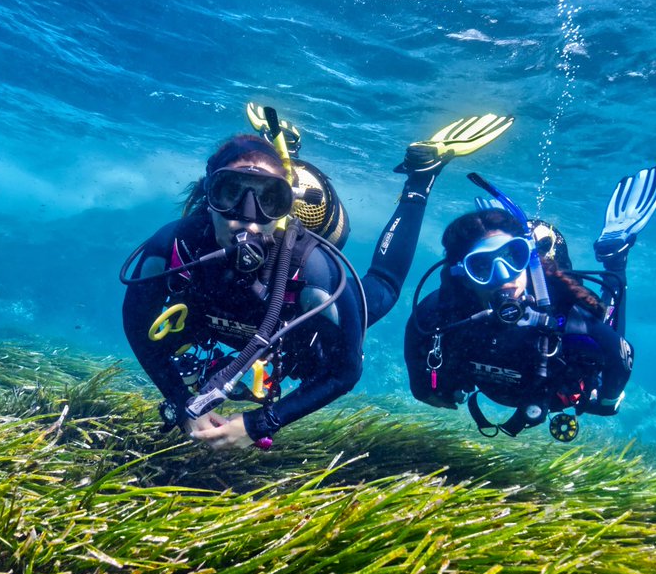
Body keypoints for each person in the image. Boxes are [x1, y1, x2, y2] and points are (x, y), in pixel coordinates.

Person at [120, 107, 512, 450]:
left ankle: (419, 181)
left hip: (297, 329)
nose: (248, 217)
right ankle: (281, 155)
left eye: (269, 199)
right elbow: (137, 325)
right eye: (229, 193)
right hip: (227, 322)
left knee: (383, 287)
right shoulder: (175, 247)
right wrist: (181, 403)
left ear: (284, 208)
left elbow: (345, 371)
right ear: (209, 196)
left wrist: (258, 425)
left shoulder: (316, 271)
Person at [404, 166, 656, 441]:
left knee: (605, 320)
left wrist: (608, 401)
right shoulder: (445, 309)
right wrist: (421, 387)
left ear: (527, 261)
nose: (503, 276)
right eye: (481, 266)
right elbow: (416, 333)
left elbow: (621, 354)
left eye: (512, 257)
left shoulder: (564, 313)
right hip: (513, 391)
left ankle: (615, 258)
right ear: (463, 276)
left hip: (555, 393)